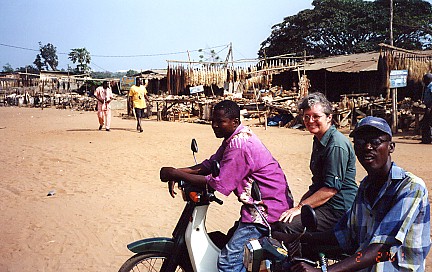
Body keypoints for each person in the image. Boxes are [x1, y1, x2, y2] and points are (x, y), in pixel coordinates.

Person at [160, 100, 294, 272]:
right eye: (213, 121)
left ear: (235, 122)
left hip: (265, 212)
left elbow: (220, 183)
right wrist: (177, 171)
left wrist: (176, 174)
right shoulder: (234, 138)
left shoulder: (240, 145)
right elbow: (210, 164)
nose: (214, 125)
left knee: (228, 262)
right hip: (259, 207)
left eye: (220, 121)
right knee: (224, 240)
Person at [284, 116, 431, 272]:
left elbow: (381, 250)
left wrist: (323, 271)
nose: (367, 147)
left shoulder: (410, 187)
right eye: (360, 142)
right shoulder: (365, 187)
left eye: (376, 142)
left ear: (391, 147)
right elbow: (343, 234)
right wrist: (298, 238)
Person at [279, 92, 357, 233]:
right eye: (307, 117)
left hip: (338, 208)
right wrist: (300, 204)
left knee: (287, 227)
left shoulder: (335, 145)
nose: (310, 121)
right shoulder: (319, 139)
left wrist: (301, 207)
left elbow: (330, 189)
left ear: (329, 118)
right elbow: (318, 184)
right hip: (325, 203)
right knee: (283, 219)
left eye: (316, 116)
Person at [421, 73, 432, 144]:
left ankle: (428, 139)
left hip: (430, 107)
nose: (423, 81)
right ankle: (426, 139)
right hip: (428, 107)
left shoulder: (431, 86)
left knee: (428, 123)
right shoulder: (427, 86)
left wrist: (430, 107)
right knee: (426, 123)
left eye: (424, 79)